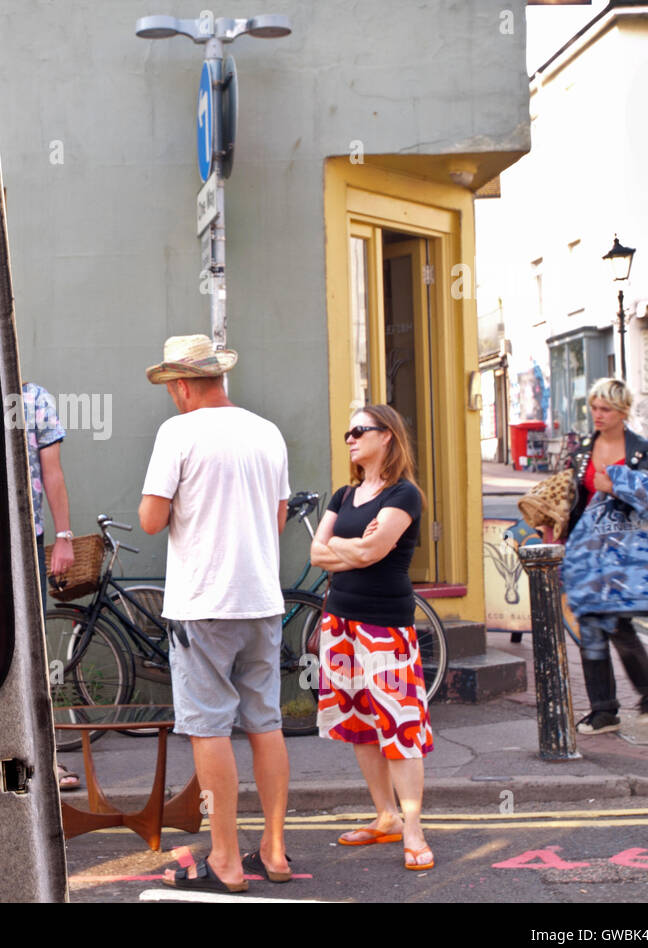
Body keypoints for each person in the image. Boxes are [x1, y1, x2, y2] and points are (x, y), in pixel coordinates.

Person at [140, 335, 291, 893]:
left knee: (209, 729)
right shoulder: (267, 431)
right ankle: (274, 849)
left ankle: (225, 857)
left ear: (181, 385)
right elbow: (276, 520)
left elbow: (151, 520)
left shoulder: (177, 432)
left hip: (203, 602)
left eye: (171, 389)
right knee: (265, 723)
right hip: (262, 600)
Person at [311, 403, 435, 872]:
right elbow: (316, 553)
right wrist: (352, 548)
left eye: (359, 430)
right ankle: (386, 817)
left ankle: (414, 829)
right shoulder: (343, 495)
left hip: (385, 626)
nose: (350, 438)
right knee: (362, 725)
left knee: (399, 730)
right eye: (347, 431)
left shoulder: (404, 495)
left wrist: (348, 548)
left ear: (387, 436)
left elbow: (374, 549)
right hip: (339, 621)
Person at [561, 378, 648, 734]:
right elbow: (573, 504)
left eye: (605, 409)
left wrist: (617, 487)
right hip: (588, 555)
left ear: (622, 412)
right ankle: (604, 709)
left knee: (619, 625)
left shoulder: (646, 455)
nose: (597, 414)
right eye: (594, 407)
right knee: (590, 628)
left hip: (627, 557)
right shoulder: (581, 454)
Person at [22, 381, 77, 789]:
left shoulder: (35, 398)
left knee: (32, 653)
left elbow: (52, 470)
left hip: (27, 537)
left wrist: (64, 537)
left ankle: (45, 760)